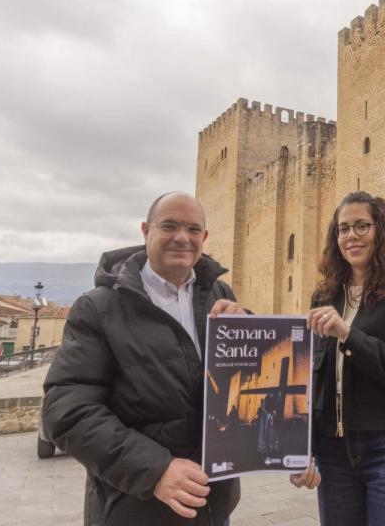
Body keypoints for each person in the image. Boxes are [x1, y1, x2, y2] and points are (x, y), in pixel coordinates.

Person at [43, 192, 247, 526]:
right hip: (135, 507)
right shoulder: (99, 308)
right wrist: (155, 471)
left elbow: (240, 389)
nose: (182, 237)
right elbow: (66, 411)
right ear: (145, 231)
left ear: (205, 238)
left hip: (212, 503)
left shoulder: (220, 294)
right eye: (170, 226)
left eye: (193, 229)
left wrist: (287, 453)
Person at [305, 191, 385, 526]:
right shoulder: (323, 296)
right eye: (343, 229)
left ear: (382, 230)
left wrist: (349, 336)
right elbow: (312, 379)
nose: (351, 236)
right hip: (333, 451)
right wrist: (303, 447)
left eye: (362, 226)